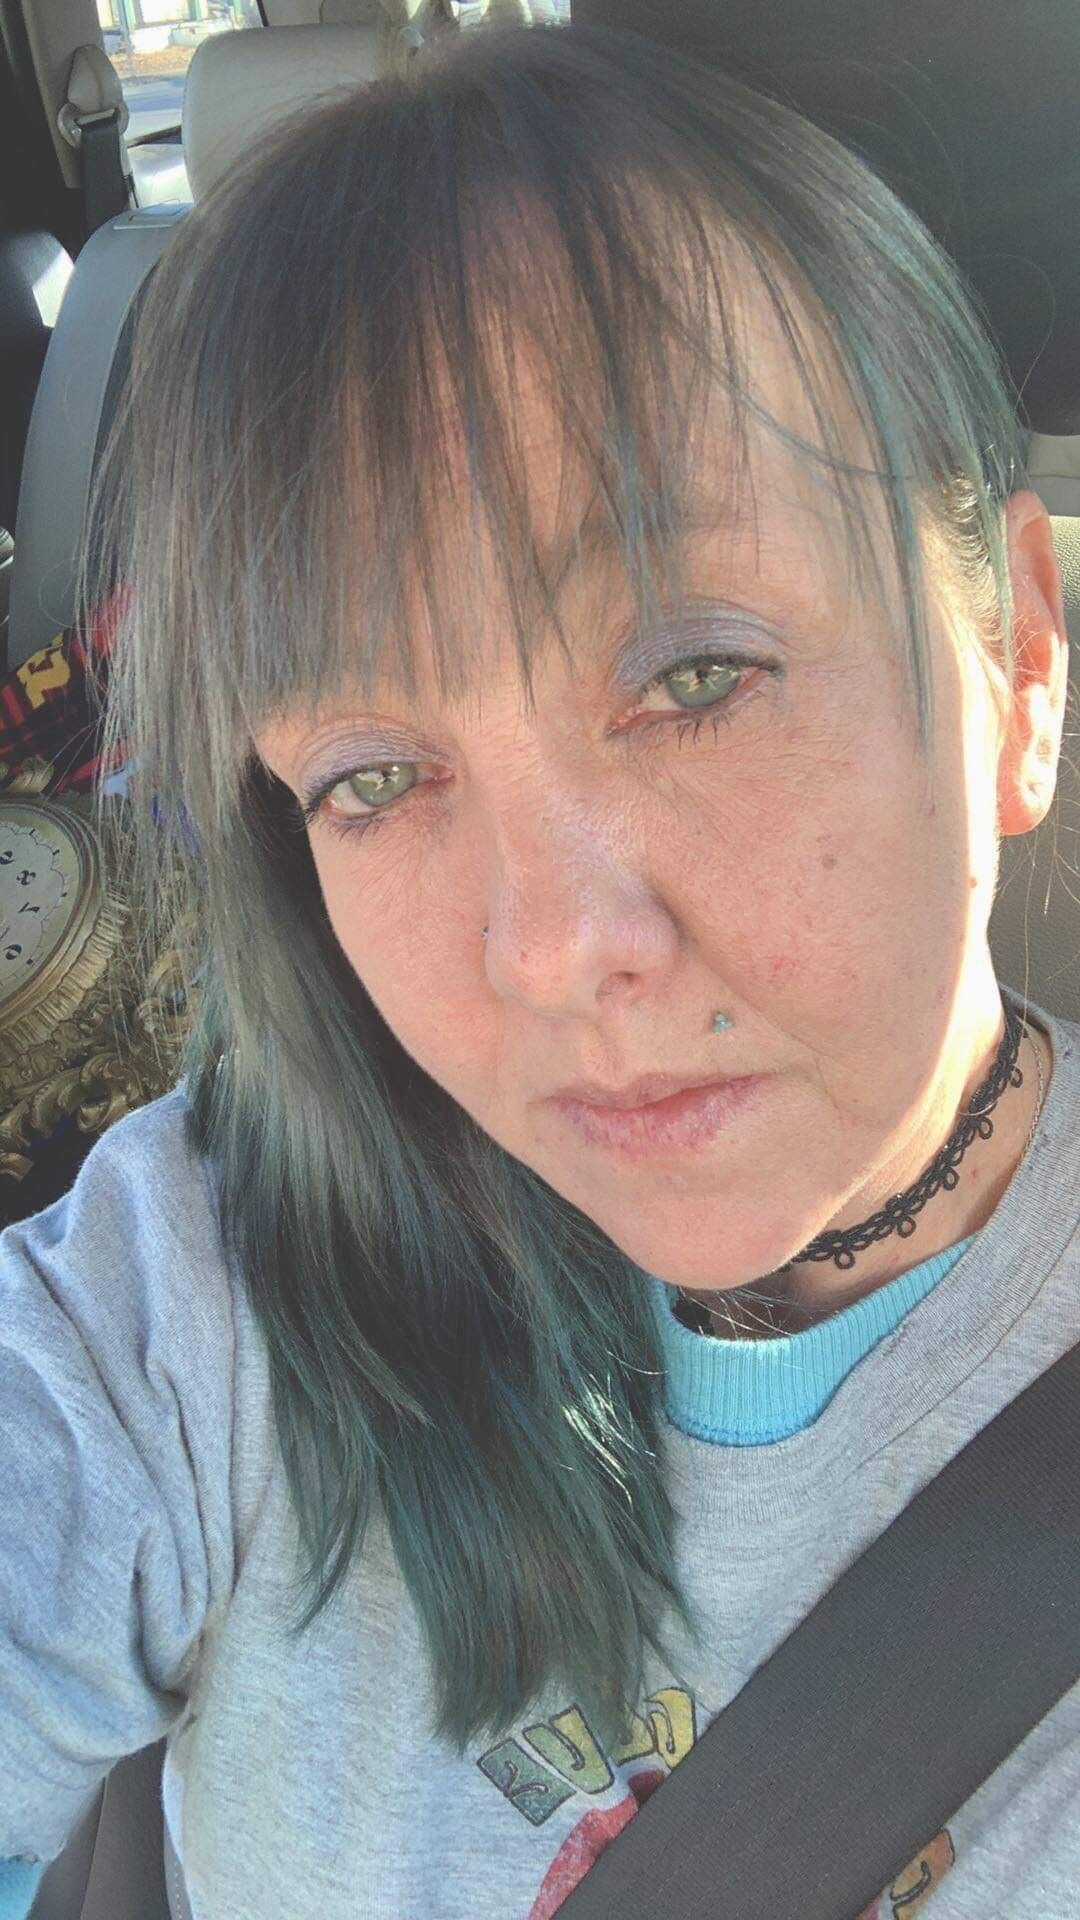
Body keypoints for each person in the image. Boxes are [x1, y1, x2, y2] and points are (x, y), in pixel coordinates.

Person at [1, 20, 1076, 1920]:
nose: (561, 951)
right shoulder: (205, 1292)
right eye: (374, 778)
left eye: (699, 675)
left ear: (1025, 668)